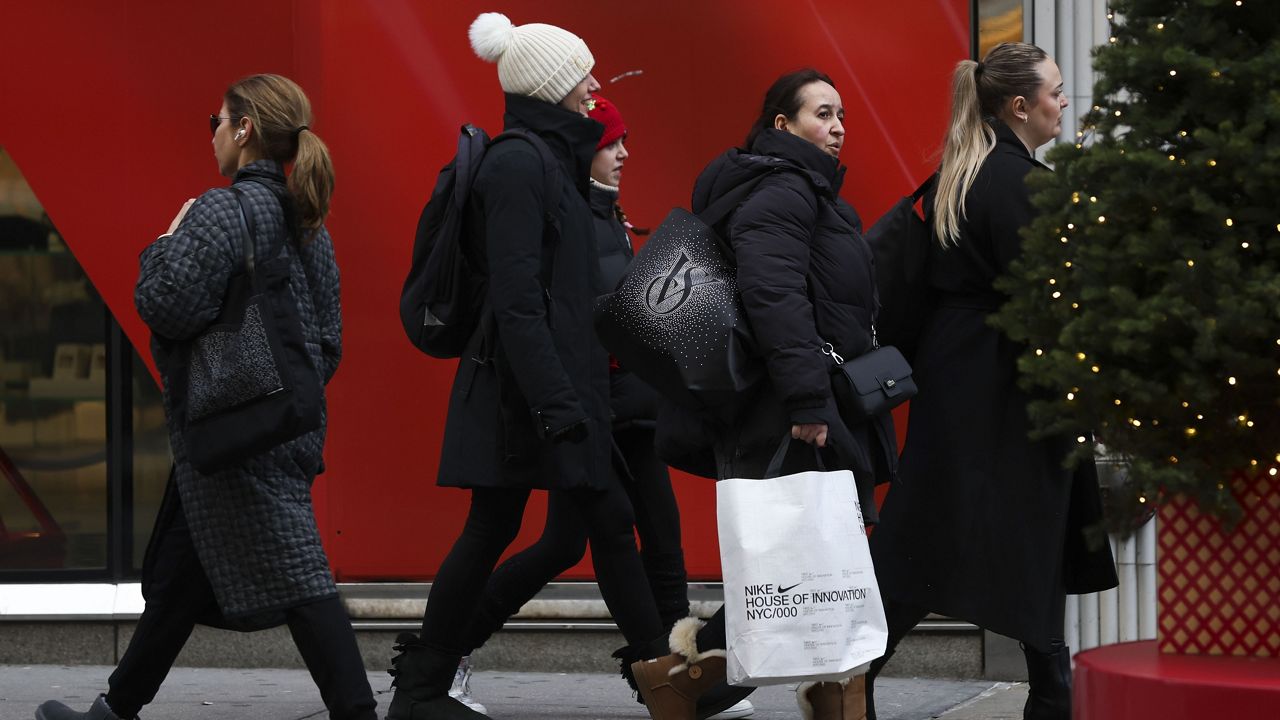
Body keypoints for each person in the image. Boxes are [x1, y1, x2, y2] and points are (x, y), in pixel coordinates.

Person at [35, 74, 375, 720]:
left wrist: (164, 244)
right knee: (179, 581)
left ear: (244, 130)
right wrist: (272, 395)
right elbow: (325, 345)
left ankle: (357, 713)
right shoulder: (309, 225)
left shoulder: (221, 212)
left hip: (233, 439)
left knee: (303, 582)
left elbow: (163, 304)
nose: (213, 134)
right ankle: (116, 707)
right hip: (278, 429)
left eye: (217, 121)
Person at [385, 14, 672, 720]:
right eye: (583, 76)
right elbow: (519, 306)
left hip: (553, 394)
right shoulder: (519, 166)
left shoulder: (554, 163)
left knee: (594, 524)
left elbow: (566, 300)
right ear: (550, 87)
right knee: (500, 531)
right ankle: (421, 690)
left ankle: (669, 682)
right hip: (528, 399)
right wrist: (560, 406)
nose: (595, 87)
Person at [443, 95, 754, 720]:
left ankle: (679, 676)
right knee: (583, 537)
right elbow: (557, 315)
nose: (623, 153)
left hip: (632, 410)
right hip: (594, 412)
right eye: (613, 142)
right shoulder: (569, 213)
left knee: (644, 538)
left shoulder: (609, 213)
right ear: (586, 147)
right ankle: (449, 649)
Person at [865, 42, 1119, 720]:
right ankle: (1050, 691)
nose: (1063, 102)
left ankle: (850, 676)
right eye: (1055, 92)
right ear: (1019, 105)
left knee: (934, 534)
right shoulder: (1020, 183)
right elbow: (1049, 297)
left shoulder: (964, 170)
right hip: (1010, 381)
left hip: (959, 374)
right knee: (1025, 529)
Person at [633, 68, 895, 720]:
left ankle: (699, 679)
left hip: (795, 400)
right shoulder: (784, 191)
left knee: (820, 561)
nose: (837, 128)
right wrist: (808, 400)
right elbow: (773, 296)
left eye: (841, 117)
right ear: (783, 125)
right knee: (815, 561)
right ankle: (687, 679)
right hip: (789, 408)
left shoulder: (798, 191)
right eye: (822, 114)